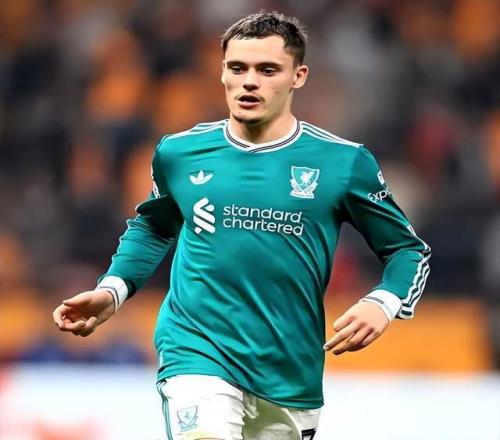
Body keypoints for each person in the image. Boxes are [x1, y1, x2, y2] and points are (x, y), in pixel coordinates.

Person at [53, 11, 430, 440]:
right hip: (196, 351)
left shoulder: (343, 162)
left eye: (267, 70)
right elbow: (154, 226)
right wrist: (113, 289)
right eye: (237, 68)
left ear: (298, 76)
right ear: (222, 73)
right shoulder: (180, 152)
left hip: (288, 372)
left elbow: (407, 250)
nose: (249, 81)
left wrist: (383, 302)